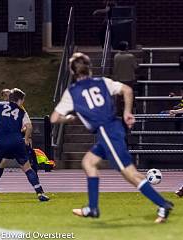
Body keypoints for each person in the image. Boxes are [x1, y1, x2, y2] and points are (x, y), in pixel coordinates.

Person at [50, 52, 173, 223]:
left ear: (72, 72)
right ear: (89, 69)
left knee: (129, 173)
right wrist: (127, 113)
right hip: (111, 129)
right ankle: (92, 208)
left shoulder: (72, 92)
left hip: (107, 132)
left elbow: (54, 118)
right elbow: (127, 89)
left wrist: (69, 118)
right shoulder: (102, 82)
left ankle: (162, 204)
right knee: (88, 162)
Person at [0, 88, 49, 202]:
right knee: (27, 168)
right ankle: (40, 193)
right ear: (19, 100)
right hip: (17, 141)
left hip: (1, 140)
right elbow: (29, 127)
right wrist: (26, 139)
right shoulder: (22, 111)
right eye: (22, 100)